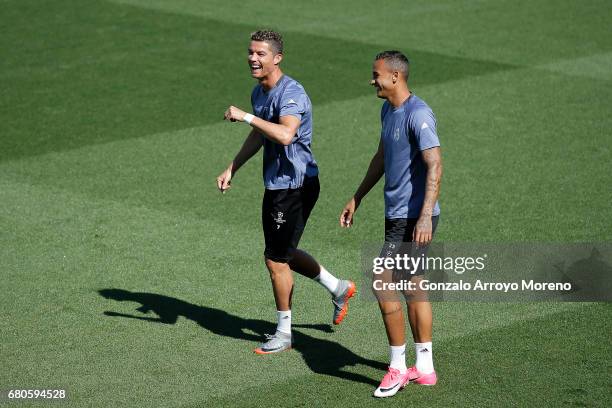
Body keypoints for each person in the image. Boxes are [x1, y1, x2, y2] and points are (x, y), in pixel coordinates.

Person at [217, 30, 356, 354]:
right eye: (250, 52)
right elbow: (260, 134)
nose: (253, 58)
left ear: (277, 58)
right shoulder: (259, 91)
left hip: (294, 185)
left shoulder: (291, 93)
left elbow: (284, 134)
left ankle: (284, 333)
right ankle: (339, 288)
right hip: (280, 183)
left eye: (261, 54)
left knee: (275, 260)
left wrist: (246, 115)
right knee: (285, 251)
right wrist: (232, 167)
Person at [339, 51, 443, 397]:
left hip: (413, 218)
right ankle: (424, 367)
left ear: (396, 77)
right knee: (413, 286)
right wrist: (357, 196)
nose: (373, 81)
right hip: (398, 215)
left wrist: (426, 215)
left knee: (382, 283)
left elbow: (435, 165)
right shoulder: (388, 110)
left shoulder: (419, 114)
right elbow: (382, 157)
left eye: (377, 75)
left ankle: (397, 368)